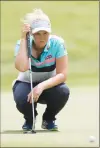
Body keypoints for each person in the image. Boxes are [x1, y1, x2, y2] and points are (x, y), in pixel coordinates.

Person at [12, 8, 70, 131]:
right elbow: (22, 67)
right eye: (37, 33)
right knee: (22, 98)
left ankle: (49, 119)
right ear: (31, 33)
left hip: (49, 85)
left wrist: (41, 86)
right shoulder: (22, 44)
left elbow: (63, 74)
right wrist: (23, 39)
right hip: (26, 83)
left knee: (63, 91)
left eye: (45, 33)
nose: (42, 37)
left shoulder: (57, 44)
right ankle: (29, 119)